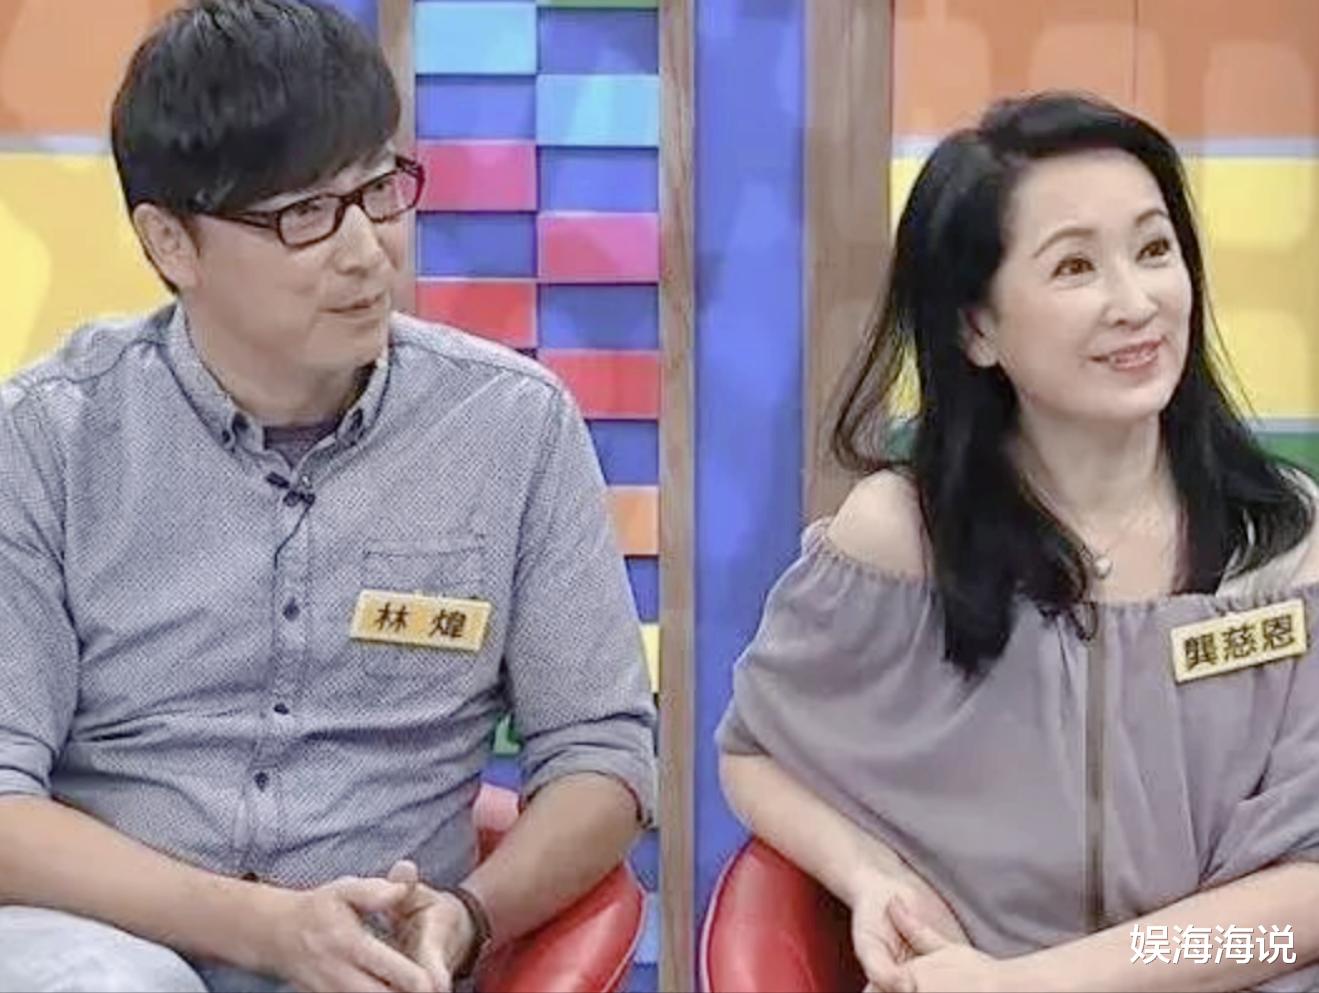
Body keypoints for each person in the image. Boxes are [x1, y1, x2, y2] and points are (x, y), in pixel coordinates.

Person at [0, 2, 656, 990]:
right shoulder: (47, 438)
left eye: (378, 193)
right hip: (100, 947)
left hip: (373, 962)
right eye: (304, 215)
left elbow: (601, 755)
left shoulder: (512, 428)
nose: (365, 251)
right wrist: (263, 928)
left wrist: (469, 916)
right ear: (171, 243)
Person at [718, 92, 1319, 993]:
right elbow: (757, 751)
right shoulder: (903, 536)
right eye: (1074, 266)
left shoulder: (1284, 543)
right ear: (976, 327)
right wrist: (871, 876)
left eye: (1154, 251)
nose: (1136, 303)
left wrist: (1033, 983)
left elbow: (1300, 913)